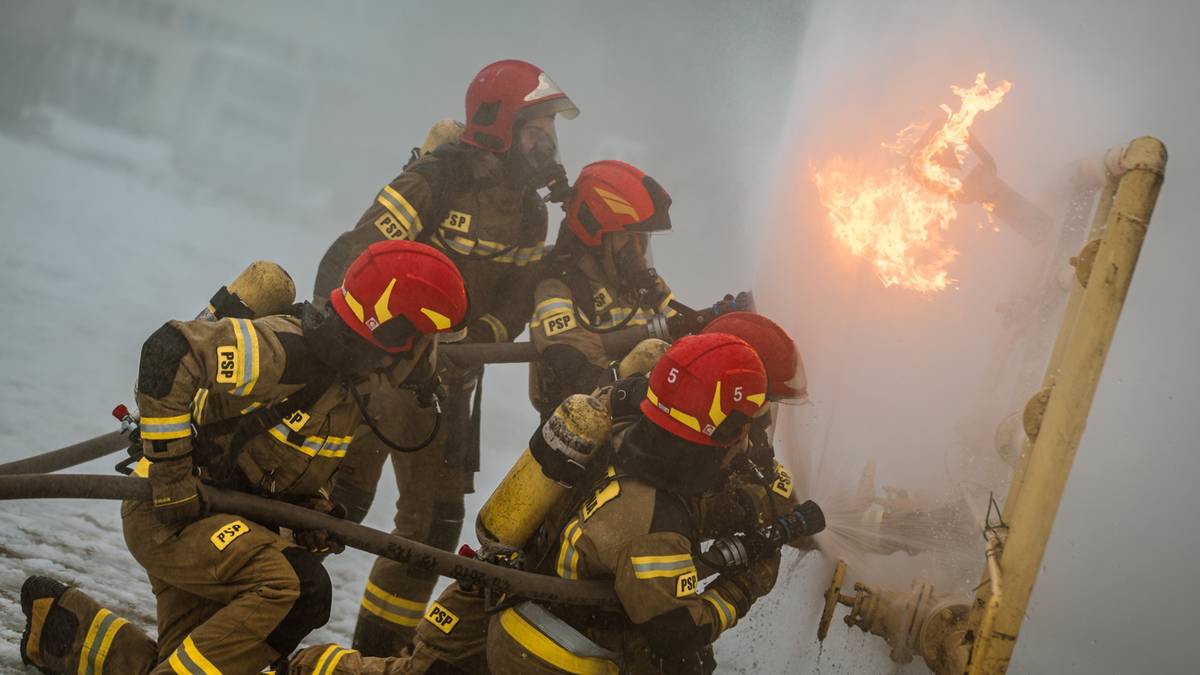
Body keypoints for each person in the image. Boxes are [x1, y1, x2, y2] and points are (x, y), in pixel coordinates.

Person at [19, 240, 468, 675]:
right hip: (173, 517)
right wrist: (173, 478)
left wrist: (310, 511)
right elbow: (168, 352)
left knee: (205, 662)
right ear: (396, 333)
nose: (433, 358)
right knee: (298, 589)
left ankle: (63, 626)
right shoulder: (287, 353)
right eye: (430, 342)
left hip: (223, 524)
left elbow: (283, 457)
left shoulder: (352, 386)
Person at [289, 333, 814, 674]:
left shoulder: (619, 431)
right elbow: (677, 630)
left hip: (498, 600)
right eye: (744, 428)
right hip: (554, 656)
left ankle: (308, 668)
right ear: (717, 427)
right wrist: (747, 581)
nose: (748, 442)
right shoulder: (656, 521)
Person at [310, 59, 579, 656]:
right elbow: (351, 255)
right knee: (330, 508)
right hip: (373, 376)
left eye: (551, 133)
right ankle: (262, 634)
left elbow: (512, 301)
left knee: (431, 530)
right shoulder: (436, 180)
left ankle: (380, 661)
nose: (549, 146)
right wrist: (343, 348)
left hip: (444, 388)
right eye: (538, 130)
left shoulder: (532, 213)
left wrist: (479, 334)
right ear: (501, 125)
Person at [528, 160, 678, 418]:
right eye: (626, 236)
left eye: (641, 238)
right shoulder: (557, 288)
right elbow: (577, 372)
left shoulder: (644, 285)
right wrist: (636, 383)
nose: (636, 249)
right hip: (584, 425)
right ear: (595, 235)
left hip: (642, 418)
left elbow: (680, 326)